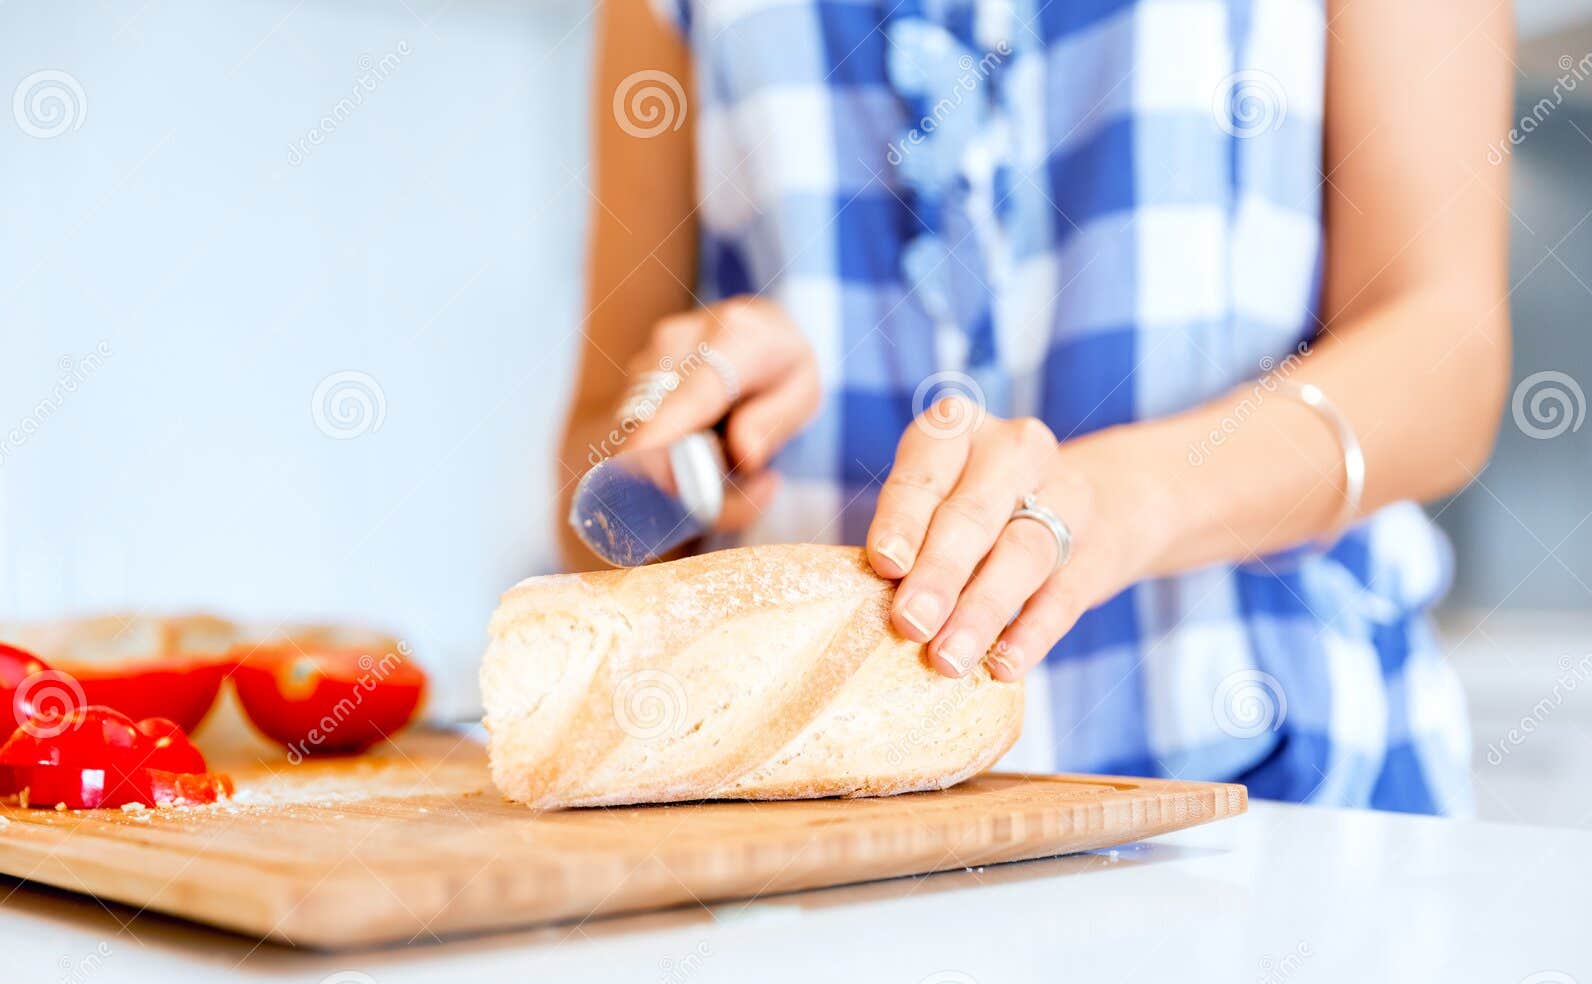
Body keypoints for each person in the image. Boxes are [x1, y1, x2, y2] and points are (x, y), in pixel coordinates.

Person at [559, 0, 1511, 814]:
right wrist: (678, 432)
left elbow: (1448, 363)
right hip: (804, 841)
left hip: (1286, 802)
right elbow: (587, 498)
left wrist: (1126, 498)